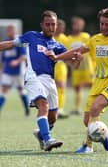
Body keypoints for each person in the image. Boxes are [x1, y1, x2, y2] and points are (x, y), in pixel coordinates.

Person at [47, 8, 108, 153]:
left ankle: (88, 146)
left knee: (95, 108)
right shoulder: (95, 39)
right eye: (102, 24)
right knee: (87, 121)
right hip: (98, 82)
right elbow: (77, 51)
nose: (104, 27)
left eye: (107, 24)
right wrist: (57, 57)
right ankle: (104, 137)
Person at [0, 10, 81, 151]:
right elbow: (10, 44)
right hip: (33, 77)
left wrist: (78, 60)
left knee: (53, 117)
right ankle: (48, 139)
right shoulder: (31, 36)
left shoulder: (58, 46)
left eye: (53, 24)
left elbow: (73, 65)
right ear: (42, 25)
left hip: (49, 81)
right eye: (47, 24)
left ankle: (40, 134)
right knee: (43, 104)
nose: (51, 27)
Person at [67, 16, 95, 115]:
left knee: (93, 86)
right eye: (77, 24)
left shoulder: (86, 36)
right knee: (77, 88)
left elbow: (92, 50)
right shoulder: (69, 39)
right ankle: (77, 108)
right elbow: (67, 54)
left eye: (81, 25)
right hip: (76, 68)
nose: (79, 26)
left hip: (88, 67)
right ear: (73, 25)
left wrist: (95, 63)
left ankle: (95, 107)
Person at [0, 25, 30, 116]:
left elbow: (24, 56)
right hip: (7, 71)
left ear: (15, 31)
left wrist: (16, 62)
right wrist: (1, 70)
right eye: (8, 30)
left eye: (11, 30)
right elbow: (3, 60)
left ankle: (26, 109)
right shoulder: (6, 43)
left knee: (21, 91)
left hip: (19, 72)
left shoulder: (19, 42)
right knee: (4, 90)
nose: (10, 32)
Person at [54, 19, 69, 119]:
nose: (61, 29)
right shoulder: (49, 37)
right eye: (59, 27)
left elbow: (68, 53)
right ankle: (52, 108)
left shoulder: (65, 39)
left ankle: (60, 109)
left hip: (61, 65)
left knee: (61, 86)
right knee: (50, 88)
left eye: (63, 28)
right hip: (50, 65)